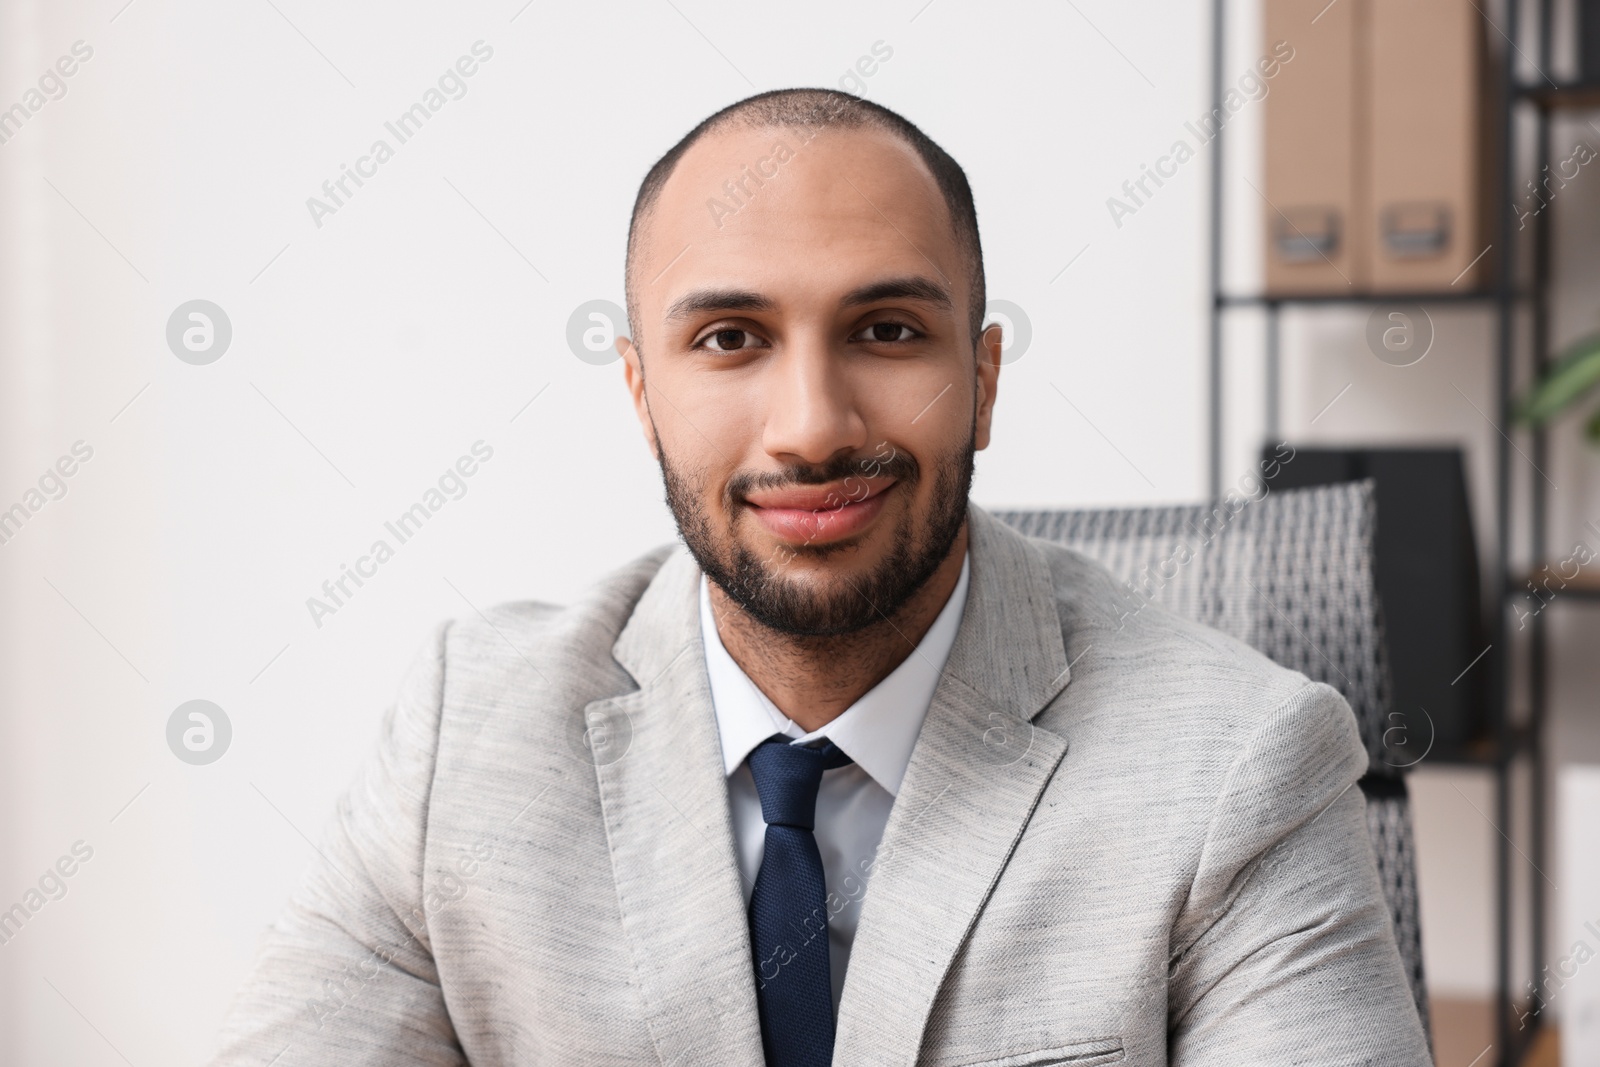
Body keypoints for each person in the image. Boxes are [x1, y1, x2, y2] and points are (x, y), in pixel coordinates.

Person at [209, 88, 1430, 1066]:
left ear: (985, 377)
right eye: (729, 339)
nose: (809, 425)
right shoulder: (459, 740)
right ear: (641, 394)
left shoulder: (1241, 763)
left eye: (887, 330)